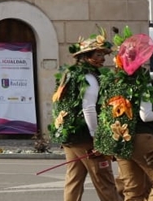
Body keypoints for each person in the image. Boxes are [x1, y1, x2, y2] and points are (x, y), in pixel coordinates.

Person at [95, 31, 153, 201]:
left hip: (122, 140)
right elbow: (146, 115)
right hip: (142, 139)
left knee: (133, 189)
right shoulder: (141, 82)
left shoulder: (112, 83)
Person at [49, 30, 120, 201]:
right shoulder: (89, 77)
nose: (103, 58)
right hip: (86, 136)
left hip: (70, 135)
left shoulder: (69, 74)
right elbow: (88, 108)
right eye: (98, 54)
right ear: (87, 56)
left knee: (74, 179)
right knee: (104, 180)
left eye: (103, 54)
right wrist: (96, 137)